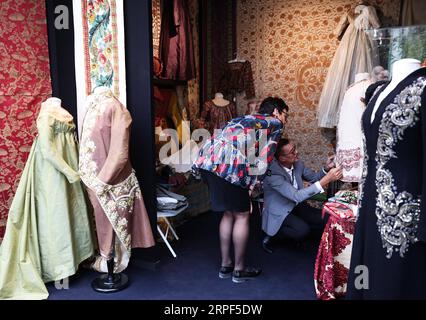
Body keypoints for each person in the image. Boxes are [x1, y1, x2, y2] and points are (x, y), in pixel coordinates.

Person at [347, 58, 426, 299]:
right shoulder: (381, 90)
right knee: (366, 269)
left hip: (403, 208)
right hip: (370, 201)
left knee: (393, 278)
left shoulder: (422, 88)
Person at [193, 97, 288, 283]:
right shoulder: (274, 123)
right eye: (285, 114)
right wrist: (252, 188)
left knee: (229, 214)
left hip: (208, 163)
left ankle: (225, 265)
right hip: (230, 167)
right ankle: (239, 270)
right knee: (243, 215)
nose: (285, 119)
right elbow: (263, 158)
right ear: (276, 111)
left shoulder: (245, 118)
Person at [261, 139, 343, 253]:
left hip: (296, 205)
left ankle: (303, 228)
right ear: (282, 158)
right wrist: (327, 179)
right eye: (292, 152)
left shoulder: (297, 164)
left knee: (326, 218)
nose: (297, 152)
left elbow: (314, 178)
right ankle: (273, 236)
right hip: (280, 210)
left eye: (295, 148)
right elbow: (296, 196)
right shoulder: (272, 173)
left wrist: (326, 169)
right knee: (302, 231)